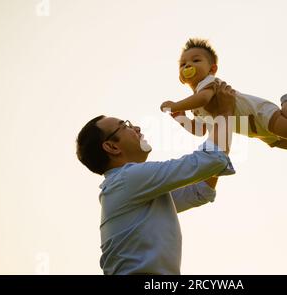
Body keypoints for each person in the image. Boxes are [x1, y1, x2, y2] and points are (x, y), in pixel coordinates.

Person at [76, 82, 236, 275]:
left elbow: (199, 191)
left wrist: (217, 123)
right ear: (112, 147)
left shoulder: (130, 186)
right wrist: (226, 113)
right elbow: (212, 160)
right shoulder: (128, 179)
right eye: (124, 126)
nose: (135, 127)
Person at [160, 38, 287, 150]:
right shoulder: (196, 109)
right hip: (254, 130)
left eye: (195, 60)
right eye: (182, 64)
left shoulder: (210, 83)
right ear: (181, 78)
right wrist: (180, 117)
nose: (187, 65)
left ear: (212, 69)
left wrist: (176, 105)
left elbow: (204, 98)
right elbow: (199, 130)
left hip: (258, 112)